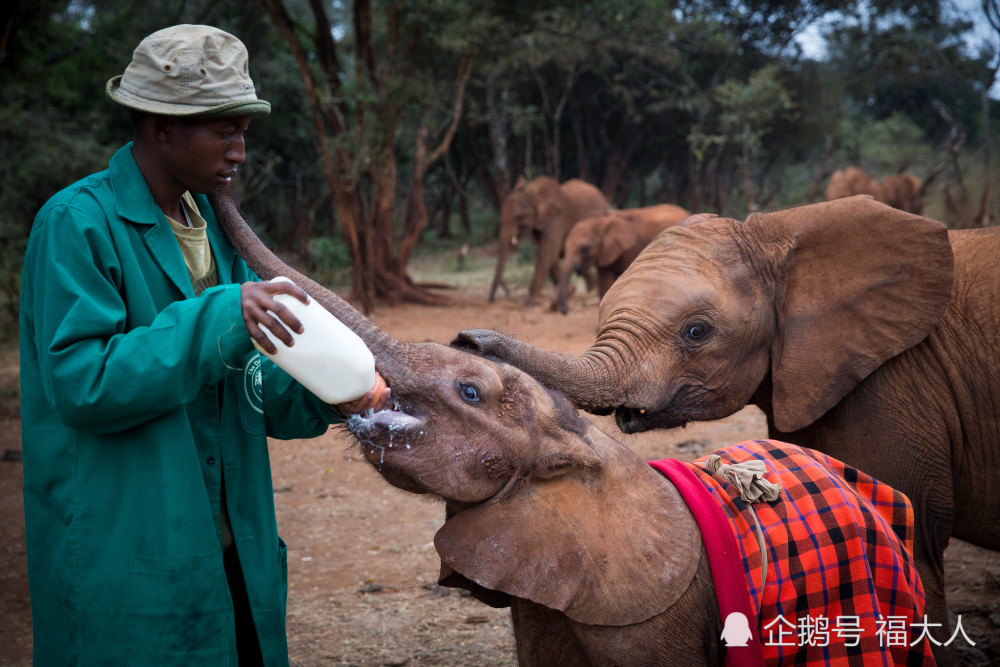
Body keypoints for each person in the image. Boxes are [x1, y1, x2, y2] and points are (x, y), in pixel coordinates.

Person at [18, 24, 389, 666]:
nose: (240, 151)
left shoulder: (214, 228)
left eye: (243, 131)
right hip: (131, 545)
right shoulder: (76, 224)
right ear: (163, 127)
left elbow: (249, 378)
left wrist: (334, 393)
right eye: (225, 131)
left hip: (230, 544)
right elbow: (82, 384)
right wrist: (220, 315)